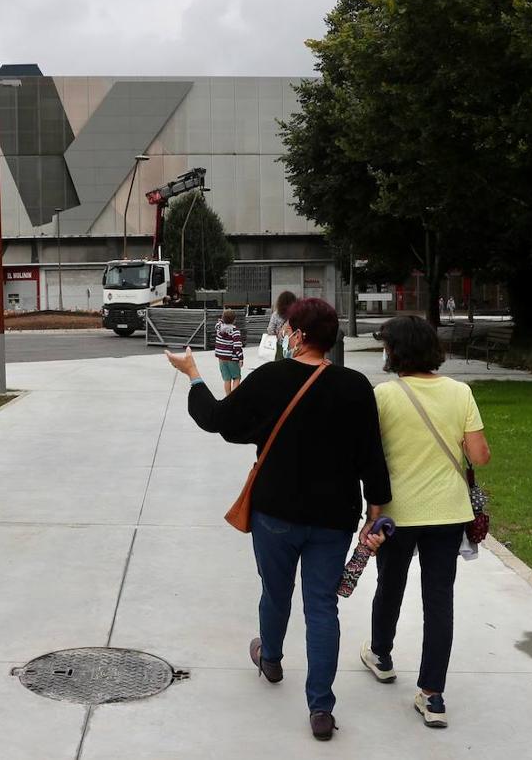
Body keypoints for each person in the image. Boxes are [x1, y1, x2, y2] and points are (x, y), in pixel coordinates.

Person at [165, 297, 391, 741]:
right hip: (335, 516)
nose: (285, 334)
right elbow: (371, 453)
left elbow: (218, 421)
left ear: (300, 335)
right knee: (322, 607)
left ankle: (270, 657)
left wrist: (193, 374)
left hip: (276, 512)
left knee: (276, 590)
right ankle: (321, 708)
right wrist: (376, 507)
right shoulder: (355, 386)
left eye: (289, 329)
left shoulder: (271, 378)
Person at [360, 315, 492, 729]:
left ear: (396, 351)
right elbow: (481, 455)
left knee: (390, 584)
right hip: (448, 512)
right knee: (439, 600)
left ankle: (381, 654)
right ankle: (433, 694)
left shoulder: (384, 396)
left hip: (398, 513)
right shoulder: (460, 392)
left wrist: (372, 510)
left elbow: (371, 457)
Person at [214, 309, 244, 394]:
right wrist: (240, 358)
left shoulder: (219, 328)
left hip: (221, 358)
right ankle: (233, 399)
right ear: (234, 320)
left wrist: (221, 321)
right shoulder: (235, 331)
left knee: (227, 379)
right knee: (236, 378)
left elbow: (217, 324)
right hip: (232, 358)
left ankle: (228, 397)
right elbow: (237, 346)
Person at [269, 291, 297, 361]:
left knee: (280, 365)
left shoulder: (276, 314)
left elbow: (270, 330)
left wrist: (277, 334)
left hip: (280, 345)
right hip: (294, 345)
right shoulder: (296, 314)